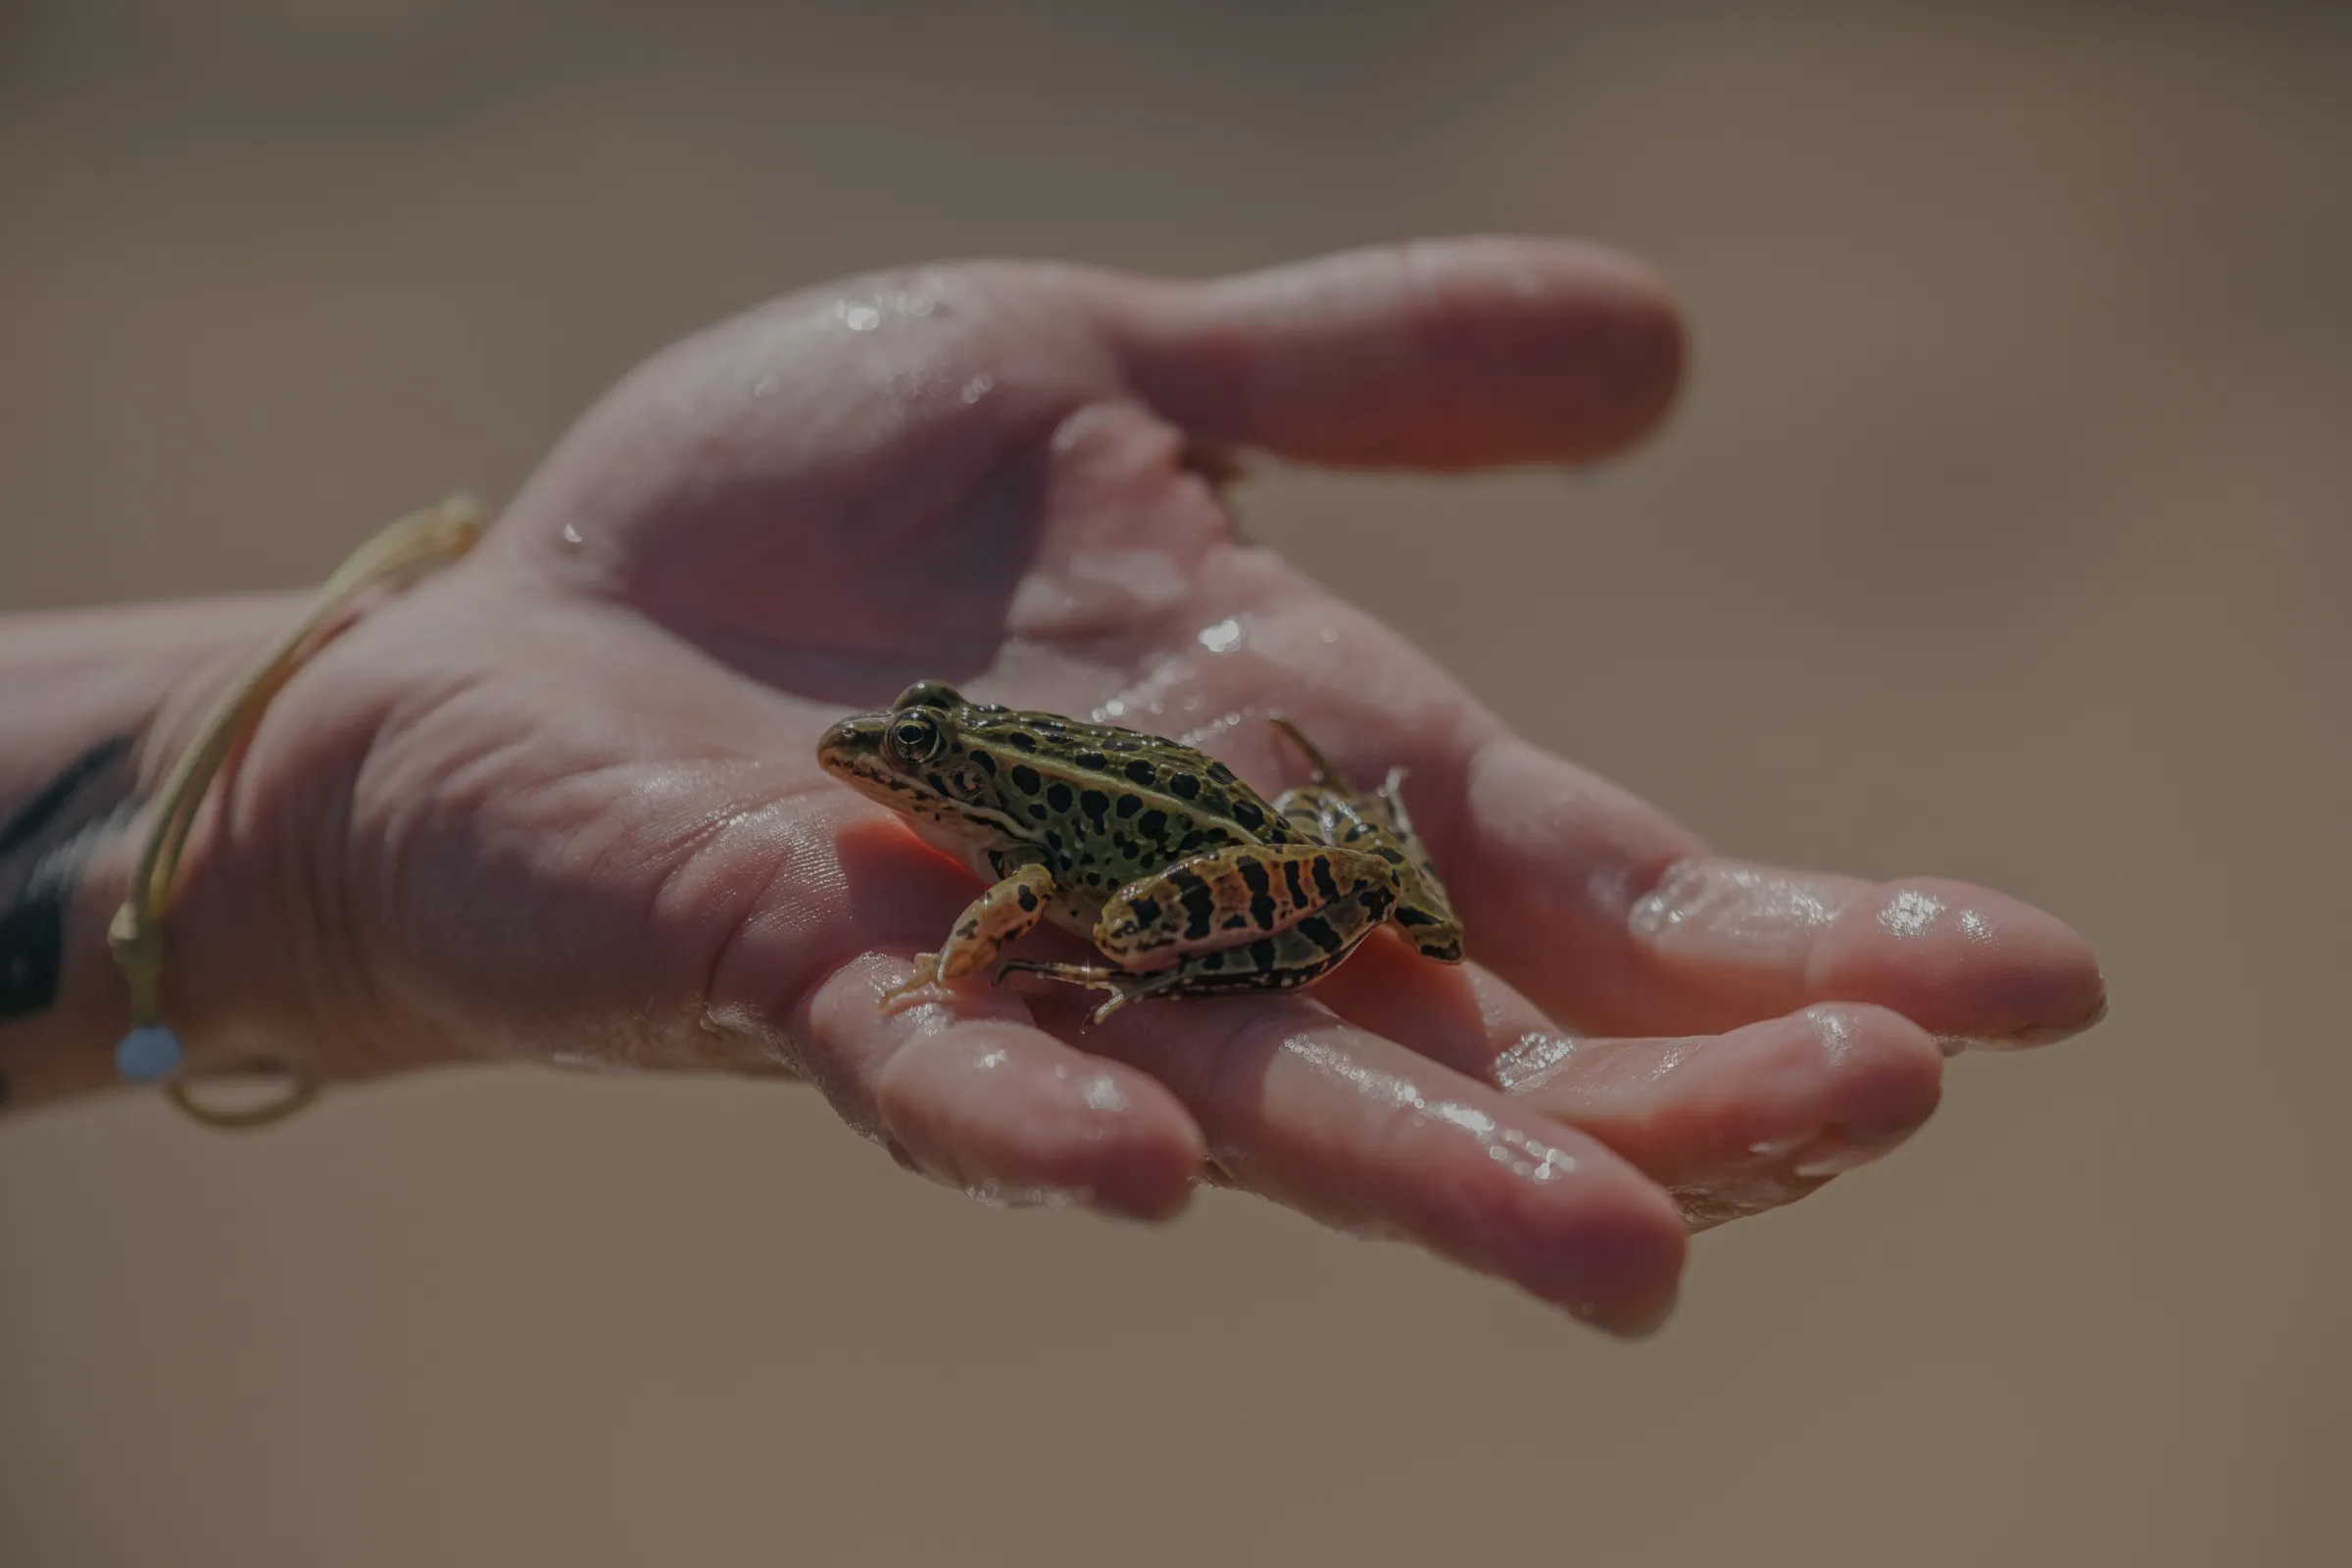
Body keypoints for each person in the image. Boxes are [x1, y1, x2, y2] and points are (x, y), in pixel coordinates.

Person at [0, 236, 2105, 1335]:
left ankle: (1295, 921)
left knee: (1105, 934)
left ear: (949, 756)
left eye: (910, 753)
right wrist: (324, 830)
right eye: (907, 749)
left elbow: (1015, 910)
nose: (877, 771)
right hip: (1276, 834)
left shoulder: (989, 821)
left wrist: (983, 969)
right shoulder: (948, 769)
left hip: (1211, 868)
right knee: (1204, 906)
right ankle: (1341, 894)